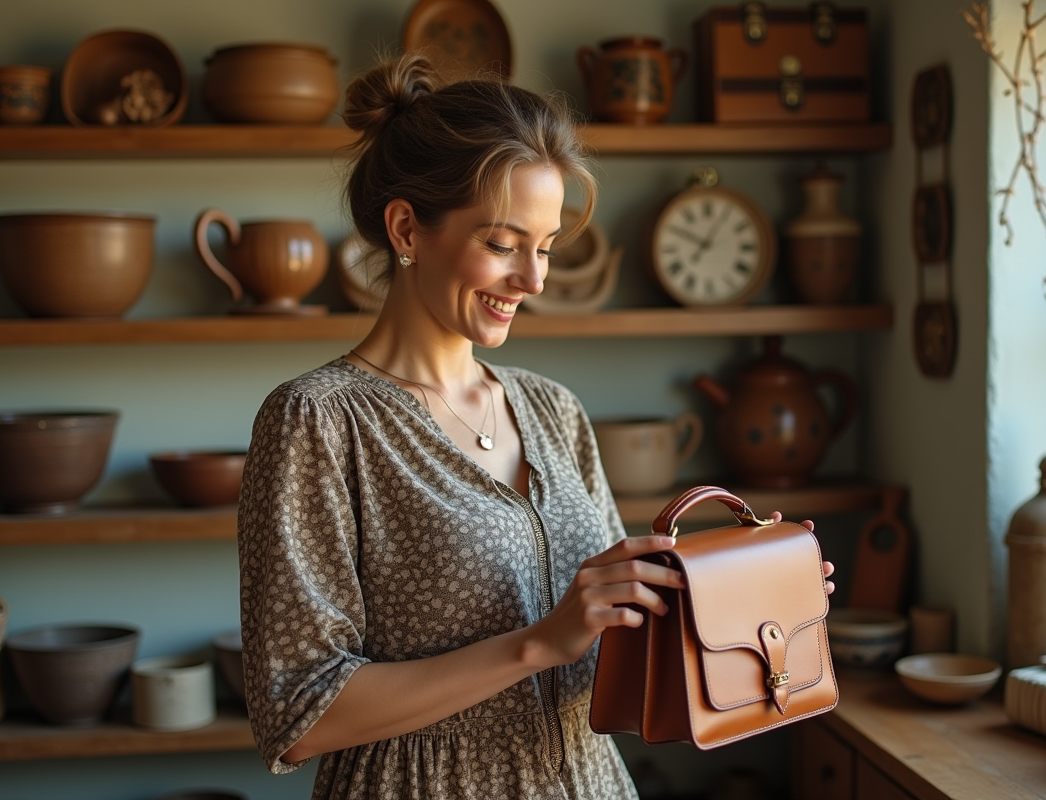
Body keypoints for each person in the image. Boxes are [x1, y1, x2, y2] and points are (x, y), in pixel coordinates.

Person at [237, 53, 835, 800]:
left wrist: (753, 594)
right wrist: (535, 645)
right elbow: (298, 713)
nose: (535, 279)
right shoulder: (319, 422)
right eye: (502, 244)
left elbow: (612, 636)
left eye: (546, 247)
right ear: (406, 229)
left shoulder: (553, 408)